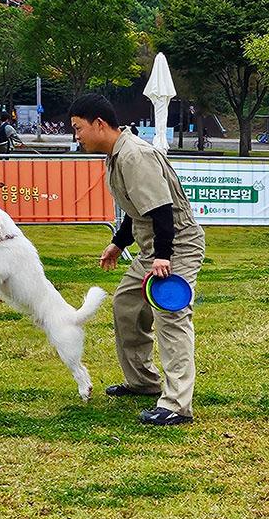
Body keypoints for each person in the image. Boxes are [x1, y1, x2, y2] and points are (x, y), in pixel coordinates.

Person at [70, 93, 206, 427]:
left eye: (78, 128)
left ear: (99, 124)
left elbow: (161, 210)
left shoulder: (134, 156)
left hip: (176, 245)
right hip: (152, 247)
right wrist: (118, 243)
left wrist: (162, 257)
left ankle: (176, 405)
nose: (76, 136)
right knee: (127, 304)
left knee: (170, 316)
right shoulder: (116, 154)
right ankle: (144, 382)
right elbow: (139, 209)